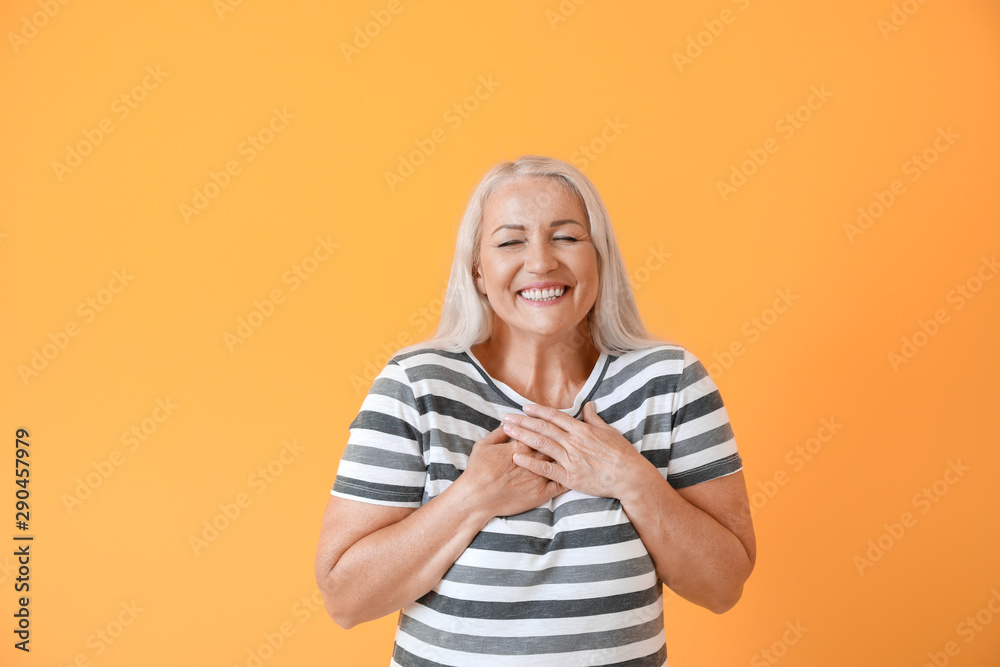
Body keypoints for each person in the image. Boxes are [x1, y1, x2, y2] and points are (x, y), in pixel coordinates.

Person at [314, 155, 756, 666]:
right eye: (510, 241)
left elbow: (723, 587)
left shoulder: (670, 382)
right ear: (479, 271)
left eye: (566, 237)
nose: (542, 262)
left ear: (600, 257)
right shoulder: (416, 385)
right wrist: (471, 499)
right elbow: (345, 599)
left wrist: (630, 479)